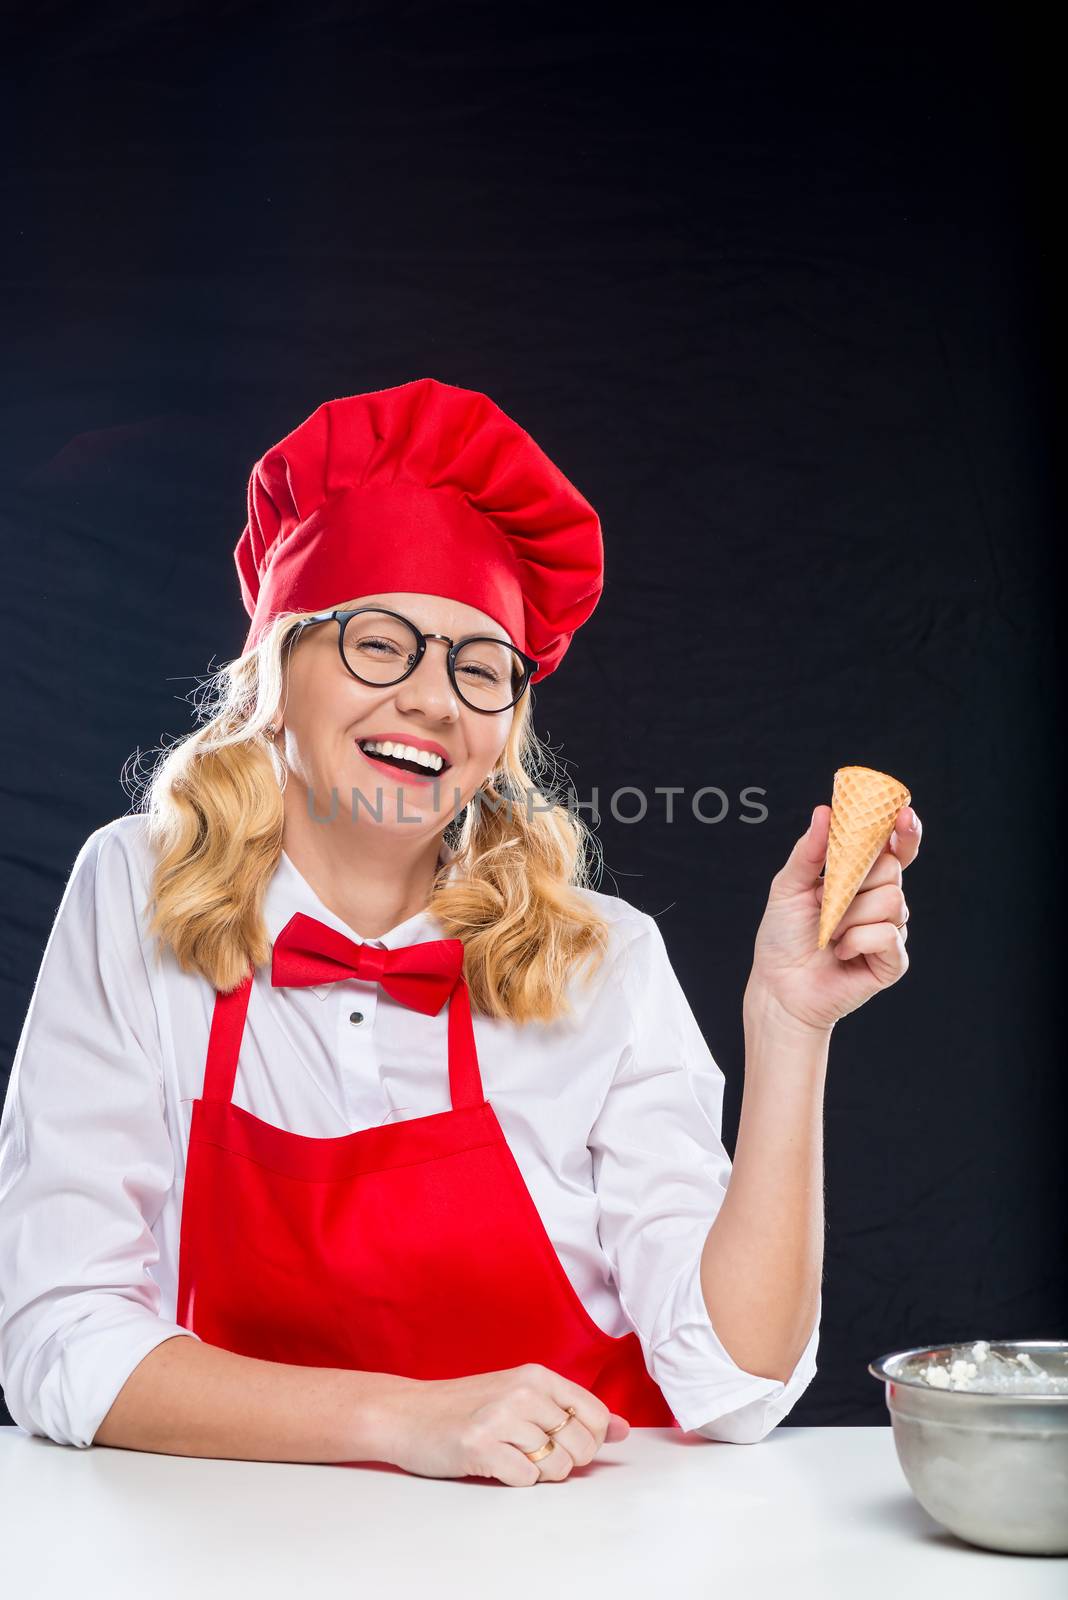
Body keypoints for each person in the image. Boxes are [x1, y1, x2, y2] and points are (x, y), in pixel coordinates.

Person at [0, 377, 921, 1487]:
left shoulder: (603, 957)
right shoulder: (134, 889)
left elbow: (733, 1383)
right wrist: (405, 1419)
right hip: (228, 1550)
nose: (434, 699)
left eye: (479, 668)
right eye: (380, 642)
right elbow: (59, 1336)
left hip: (566, 1547)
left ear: (503, 727)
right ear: (276, 672)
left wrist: (789, 1026)